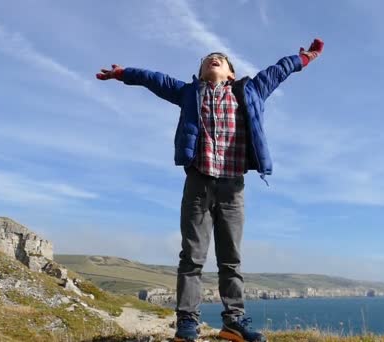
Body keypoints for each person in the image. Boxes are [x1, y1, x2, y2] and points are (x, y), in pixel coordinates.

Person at [96, 38, 324, 342]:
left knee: (231, 259)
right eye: (208, 59)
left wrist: (305, 58)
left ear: (231, 73)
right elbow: (155, 80)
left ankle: (233, 321)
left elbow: (279, 70)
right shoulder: (189, 92)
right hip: (198, 184)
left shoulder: (250, 90)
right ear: (202, 73)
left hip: (233, 188)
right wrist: (125, 73)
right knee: (192, 256)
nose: (213, 59)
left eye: (220, 58)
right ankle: (187, 322)